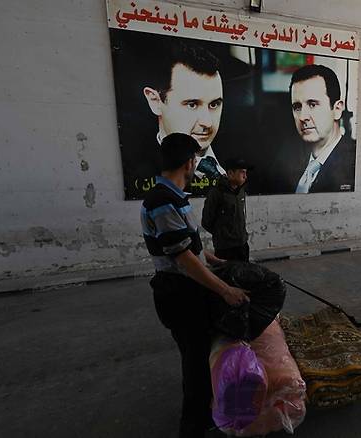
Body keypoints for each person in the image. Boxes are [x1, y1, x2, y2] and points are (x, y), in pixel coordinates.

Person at [141, 133, 249, 438]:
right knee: (195, 363)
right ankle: (193, 427)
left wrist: (217, 261)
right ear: (189, 163)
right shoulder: (162, 201)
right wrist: (225, 290)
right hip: (179, 293)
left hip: (188, 289)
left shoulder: (173, 197)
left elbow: (192, 249)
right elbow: (184, 259)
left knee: (200, 357)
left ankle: (204, 415)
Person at [142, 43, 226, 195]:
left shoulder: (247, 157)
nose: (207, 122)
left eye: (214, 104)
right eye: (192, 105)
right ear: (155, 101)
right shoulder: (139, 168)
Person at [289, 64, 356, 194]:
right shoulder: (288, 164)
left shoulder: (356, 164)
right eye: (297, 107)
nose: (302, 117)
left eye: (312, 104)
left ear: (337, 110)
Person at [201, 158, 252, 262]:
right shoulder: (216, 193)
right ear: (230, 173)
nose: (245, 176)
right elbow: (206, 222)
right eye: (242, 172)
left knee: (245, 276)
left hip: (242, 245)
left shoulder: (241, 191)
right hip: (225, 249)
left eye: (246, 172)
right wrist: (223, 234)